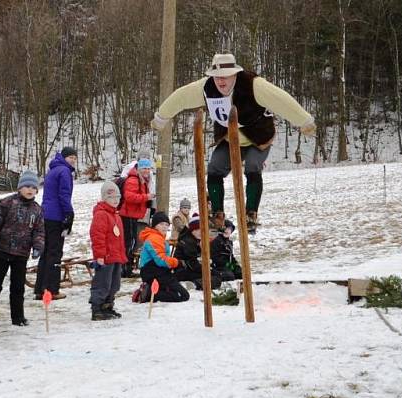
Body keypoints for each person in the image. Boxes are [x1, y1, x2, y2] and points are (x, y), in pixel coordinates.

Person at [152, 53, 316, 234]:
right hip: (230, 138)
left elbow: (281, 100)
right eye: (217, 77)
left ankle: (250, 213)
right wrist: (161, 117)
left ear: (235, 74)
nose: (221, 81)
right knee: (214, 168)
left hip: (257, 137)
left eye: (226, 76)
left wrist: (304, 121)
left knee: (253, 166)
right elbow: (180, 97)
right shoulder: (206, 88)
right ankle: (217, 214)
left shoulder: (253, 85)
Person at [0, 170, 45, 328]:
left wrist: (38, 246)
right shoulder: (7, 202)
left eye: (33, 187)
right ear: (19, 188)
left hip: (21, 253)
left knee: (18, 286)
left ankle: (18, 317)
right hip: (2, 250)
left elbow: (39, 231)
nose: (30, 190)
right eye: (26, 186)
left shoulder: (37, 210)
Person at [35, 147, 77, 301]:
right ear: (63, 157)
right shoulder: (64, 171)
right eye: (70, 157)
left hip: (46, 214)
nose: (73, 160)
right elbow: (64, 194)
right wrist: (69, 213)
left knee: (46, 252)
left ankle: (40, 288)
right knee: (55, 252)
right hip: (56, 215)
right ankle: (51, 289)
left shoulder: (53, 170)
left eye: (74, 158)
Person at [88, 181, 126, 321]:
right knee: (102, 283)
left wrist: (122, 255)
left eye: (118, 197)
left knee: (114, 283)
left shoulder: (116, 215)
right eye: (111, 198)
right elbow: (98, 236)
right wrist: (99, 255)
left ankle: (108, 306)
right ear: (104, 198)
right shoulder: (101, 215)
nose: (115, 200)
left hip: (116, 256)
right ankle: (97, 308)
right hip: (105, 257)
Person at [135, 212, 190, 303]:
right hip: (153, 272)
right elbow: (161, 260)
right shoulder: (154, 238)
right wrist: (177, 262)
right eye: (161, 224)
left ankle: (152, 291)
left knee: (175, 292)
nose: (165, 227)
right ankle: (149, 293)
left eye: (166, 224)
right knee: (182, 295)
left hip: (159, 271)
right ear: (155, 225)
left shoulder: (160, 238)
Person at [119, 158, 155, 277]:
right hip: (128, 214)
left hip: (132, 214)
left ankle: (127, 267)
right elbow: (129, 197)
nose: (147, 171)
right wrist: (146, 197)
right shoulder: (133, 180)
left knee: (131, 242)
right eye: (144, 168)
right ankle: (125, 269)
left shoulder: (141, 179)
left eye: (149, 168)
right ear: (139, 168)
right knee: (129, 242)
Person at [173, 214, 221, 290]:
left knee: (217, 275)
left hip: (190, 269)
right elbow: (192, 262)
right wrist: (206, 268)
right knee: (215, 276)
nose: (200, 232)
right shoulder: (188, 241)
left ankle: (195, 283)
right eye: (197, 230)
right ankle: (194, 284)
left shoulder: (195, 240)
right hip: (183, 271)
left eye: (201, 230)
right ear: (192, 230)